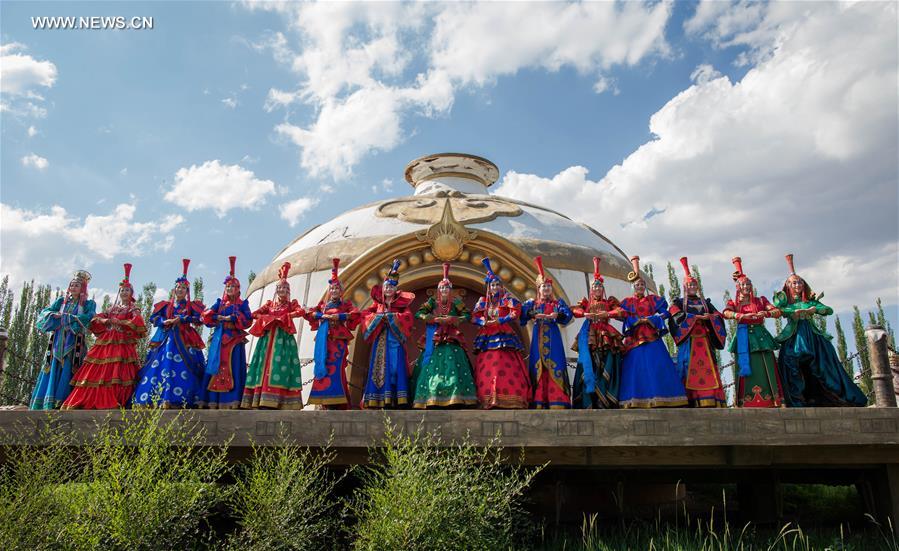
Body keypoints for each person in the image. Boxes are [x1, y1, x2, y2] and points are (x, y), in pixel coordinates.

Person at [774, 254, 866, 407]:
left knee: (823, 362)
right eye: (793, 283)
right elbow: (778, 312)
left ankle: (830, 395)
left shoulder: (810, 301)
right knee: (790, 361)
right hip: (793, 337)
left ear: (803, 285)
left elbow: (828, 310)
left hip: (813, 336)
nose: (797, 285)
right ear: (788, 287)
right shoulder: (787, 305)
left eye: (799, 282)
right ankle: (797, 398)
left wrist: (814, 309)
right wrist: (792, 313)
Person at [62, 264, 146, 409]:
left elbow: (138, 322)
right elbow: (96, 319)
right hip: (106, 342)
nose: (124, 292)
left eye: (127, 290)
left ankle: (115, 399)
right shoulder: (112, 308)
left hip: (122, 342)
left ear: (131, 293)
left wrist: (121, 322)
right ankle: (89, 400)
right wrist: (106, 321)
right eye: (122, 290)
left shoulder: (133, 308)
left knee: (118, 371)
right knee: (97, 370)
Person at [133, 259, 205, 408]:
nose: (180, 290)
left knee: (185, 367)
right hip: (166, 339)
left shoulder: (191, 306)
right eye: (178, 287)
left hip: (185, 339)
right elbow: (154, 318)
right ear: (174, 289)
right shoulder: (165, 305)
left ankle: (183, 398)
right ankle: (155, 398)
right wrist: (163, 322)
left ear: (187, 292)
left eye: (183, 288)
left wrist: (183, 319)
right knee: (161, 365)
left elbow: (199, 319)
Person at [618, 256, 688, 408]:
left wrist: (652, 319)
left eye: (642, 284)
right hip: (635, 339)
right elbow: (622, 316)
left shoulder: (652, 300)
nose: (640, 287)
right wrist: (635, 321)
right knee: (635, 369)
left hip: (652, 337)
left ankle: (663, 397)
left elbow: (666, 313)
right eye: (637, 284)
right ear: (633, 286)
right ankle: (635, 399)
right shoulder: (627, 302)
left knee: (657, 366)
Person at [410, 263, 477, 409]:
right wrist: (433, 319)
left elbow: (467, 314)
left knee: (453, 364)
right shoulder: (432, 302)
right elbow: (418, 313)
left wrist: (452, 319)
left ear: (450, 290)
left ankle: (456, 397)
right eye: (441, 288)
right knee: (430, 365)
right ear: (438, 290)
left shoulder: (456, 302)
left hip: (452, 337)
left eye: (446, 288)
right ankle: (429, 397)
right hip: (434, 337)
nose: (444, 290)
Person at [242, 261, 305, 409]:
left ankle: (280, 400)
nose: (282, 290)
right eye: (279, 288)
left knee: (280, 366)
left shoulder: (290, 305)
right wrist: (267, 319)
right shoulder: (269, 305)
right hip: (267, 339)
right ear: (276, 290)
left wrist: (287, 316)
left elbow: (301, 311)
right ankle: (260, 398)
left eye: (284, 288)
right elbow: (254, 314)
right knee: (263, 366)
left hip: (283, 340)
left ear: (288, 290)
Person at [30, 270, 97, 410]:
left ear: (83, 288)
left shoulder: (88, 304)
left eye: (77, 285)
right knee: (52, 366)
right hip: (57, 341)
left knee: (70, 366)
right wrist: (53, 315)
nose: (73, 287)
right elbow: (44, 313)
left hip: (75, 341)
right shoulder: (61, 301)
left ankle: (66, 401)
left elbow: (90, 317)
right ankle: (47, 402)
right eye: (71, 285)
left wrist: (69, 319)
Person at [724, 257, 784, 408]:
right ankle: (745, 401)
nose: (747, 286)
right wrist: (740, 315)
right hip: (743, 337)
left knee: (766, 365)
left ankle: (772, 399)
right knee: (746, 368)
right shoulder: (734, 303)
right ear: (738, 287)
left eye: (749, 284)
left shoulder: (760, 300)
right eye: (743, 284)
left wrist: (765, 314)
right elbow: (725, 313)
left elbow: (777, 311)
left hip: (760, 336)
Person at [471, 257, 531, 409]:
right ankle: (486, 397)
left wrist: (501, 320)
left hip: (503, 334)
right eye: (492, 285)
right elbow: (473, 317)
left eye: (497, 284)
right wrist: (483, 322)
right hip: (487, 334)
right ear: (489, 287)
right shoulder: (483, 301)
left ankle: (510, 398)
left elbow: (516, 311)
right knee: (488, 367)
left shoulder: (506, 299)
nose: (495, 287)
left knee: (503, 365)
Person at [668, 257, 728, 408]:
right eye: (689, 285)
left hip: (705, 344)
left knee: (708, 371)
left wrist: (710, 318)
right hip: (690, 343)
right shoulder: (679, 303)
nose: (692, 287)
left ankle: (711, 399)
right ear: (684, 287)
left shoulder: (706, 303)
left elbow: (718, 316)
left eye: (694, 284)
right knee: (688, 370)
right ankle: (691, 400)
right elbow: (675, 315)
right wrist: (694, 318)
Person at [196, 256, 252, 409]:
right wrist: (217, 317)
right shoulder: (219, 303)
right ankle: (212, 400)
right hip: (219, 341)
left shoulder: (242, 304)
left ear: (238, 289)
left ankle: (232, 401)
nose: (230, 289)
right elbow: (205, 316)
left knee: (233, 368)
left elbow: (248, 320)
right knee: (215, 367)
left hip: (234, 342)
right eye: (228, 287)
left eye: (233, 287)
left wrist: (234, 317)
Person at [305, 258, 361, 409]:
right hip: (325, 341)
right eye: (332, 289)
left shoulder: (345, 305)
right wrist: (321, 316)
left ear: (341, 291)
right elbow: (310, 314)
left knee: (336, 368)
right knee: (323, 365)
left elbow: (355, 314)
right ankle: (323, 400)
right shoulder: (323, 306)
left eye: (337, 288)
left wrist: (340, 316)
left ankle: (337, 400)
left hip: (338, 342)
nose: (334, 291)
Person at [571, 257, 625, 409]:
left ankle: (605, 397)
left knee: (607, 362)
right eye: (594, 287)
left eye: (599, 287)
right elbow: (574, 310)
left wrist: (607, 314)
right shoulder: (586, 302)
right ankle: (589, 399)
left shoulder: (609, 302)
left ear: (603, 289)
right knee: (589, 364)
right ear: (591, 289)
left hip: (606, 335)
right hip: (589, 336)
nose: (597, 289)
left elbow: (621, 311)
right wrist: (584, 314)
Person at [360, 259, 415, 408]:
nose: (389, 289)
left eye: (391, 286)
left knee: (396, 368)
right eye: (386, 286)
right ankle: (379, 399)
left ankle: (398, 399)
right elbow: (365, 316)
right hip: (381, 342)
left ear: (395, 288)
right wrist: (378, 317)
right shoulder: (377, 305)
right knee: (380, 369)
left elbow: (408, 318)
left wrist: (391, 317)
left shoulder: (401, 305)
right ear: (382, 289)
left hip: (395, 341)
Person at [521, 256, 573, 409]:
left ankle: (557, 401)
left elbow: (568, 315)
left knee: (556, 364)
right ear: (539, 289)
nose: (547, 289)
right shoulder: (532, 303)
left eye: (549, 286)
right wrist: (532, 314)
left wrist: (558, 315)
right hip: (537, 336)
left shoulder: (558, 303)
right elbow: (522, 314)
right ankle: (538, 401)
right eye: (544, 286)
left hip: (553, 336)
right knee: (538, 366)